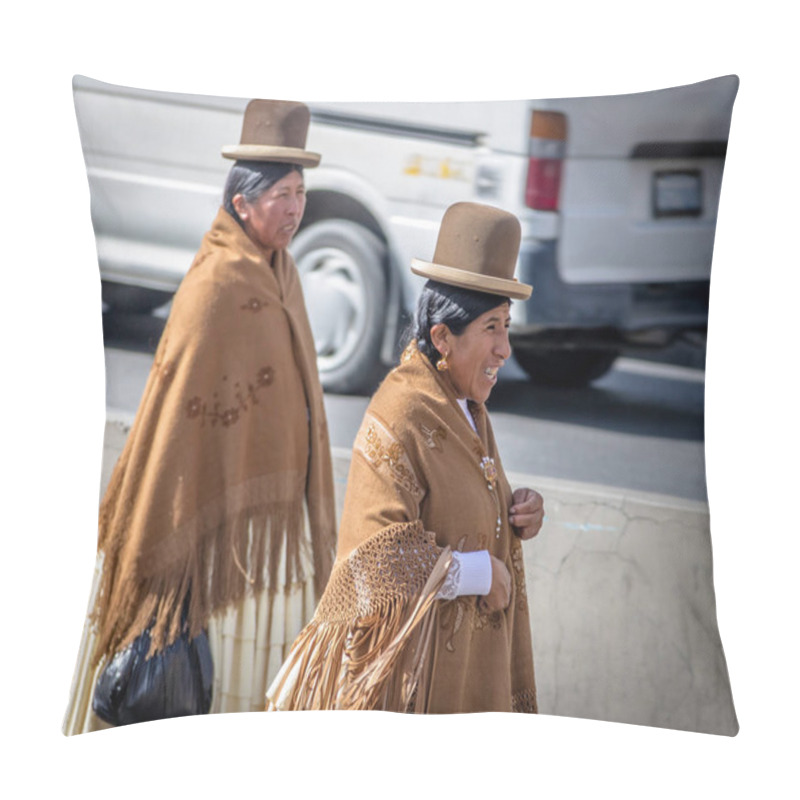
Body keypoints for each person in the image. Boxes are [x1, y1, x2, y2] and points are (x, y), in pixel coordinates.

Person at [63, 99, 337, 733]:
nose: (295, 208)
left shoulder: (283, 274)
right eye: (282, 195)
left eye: (301, 193)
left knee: (194, 682)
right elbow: (182, 421)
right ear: (242, 203)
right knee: (161, 670)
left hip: (231, 531)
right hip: (185, 506)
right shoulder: (217, 282)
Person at [267, 202, 543, 713]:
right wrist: (482, 573)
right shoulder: (402, 413)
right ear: (442, 337)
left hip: (461, 676)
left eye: (507, 326)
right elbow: (377, 564)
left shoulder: (465, 407)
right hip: (409, 688)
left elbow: (469, 498)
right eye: (491, 328)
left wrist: (517, 508)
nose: (505, 348)